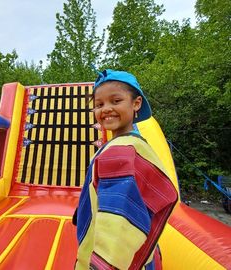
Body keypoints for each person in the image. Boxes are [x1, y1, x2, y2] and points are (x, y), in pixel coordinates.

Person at [75, 70, 178, 269]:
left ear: (136, 103)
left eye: (115, 101)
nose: (105, 109)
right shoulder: (131, 143)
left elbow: (117, 222)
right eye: (99, 104)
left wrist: (101, 265)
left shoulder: (121, 151)